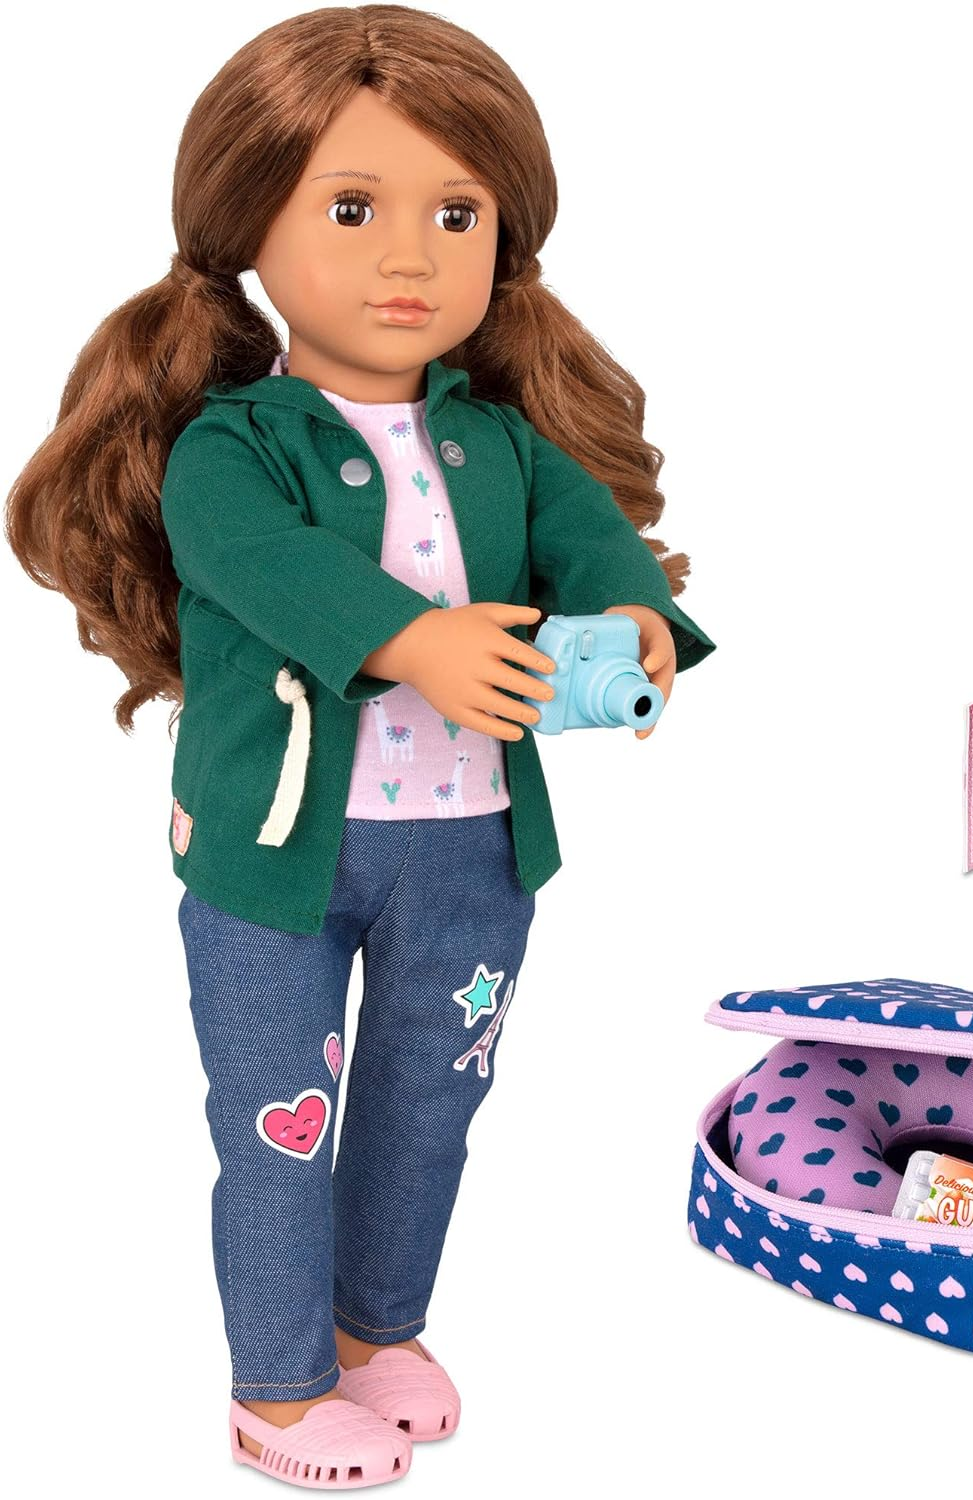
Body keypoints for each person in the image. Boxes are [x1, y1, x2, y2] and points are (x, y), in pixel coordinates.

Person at [5, 6, 714, 1487]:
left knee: (428, 1104)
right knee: (280, 1123)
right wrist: (416, 640)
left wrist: (638, 618)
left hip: (472, 850)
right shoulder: (232, 444)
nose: (411, 257)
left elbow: (592, 538)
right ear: (247, 225)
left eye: (456, 216)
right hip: (275, 858)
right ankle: (276, 1387)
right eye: (351, 208)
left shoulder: (499, 440)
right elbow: (261, 563)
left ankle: (374, 1328)